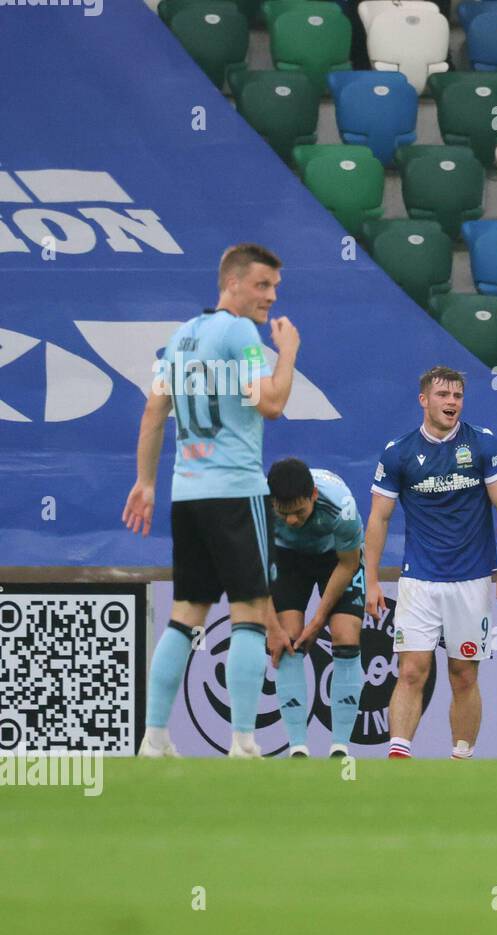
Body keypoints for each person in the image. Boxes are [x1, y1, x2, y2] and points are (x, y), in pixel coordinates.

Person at [124, 243, 297, 759]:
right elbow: (271, 403)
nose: (269, 297)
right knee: (249, 611)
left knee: (185, 613)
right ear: (233, 283)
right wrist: (287, 352)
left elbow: (155, 412)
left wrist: (145, 482)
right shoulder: (239, 332)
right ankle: (242, 739)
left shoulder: (180, 337)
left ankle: (154, 737)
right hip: (235, 491)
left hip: (188, 493)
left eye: (274, 288)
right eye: (262, 285)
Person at [364, 368, 497, 759]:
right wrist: (370, 580)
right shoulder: (398, 452)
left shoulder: (483, 445)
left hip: (469, 580)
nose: (452, 402)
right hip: (418, 579)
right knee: (412, 670)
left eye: (457, 396)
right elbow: (378, 518)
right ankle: (398, 757)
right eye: (443, 395)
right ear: (424, 400)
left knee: (464, 674)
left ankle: (461, 759)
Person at [267, 458, 366, 759]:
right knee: (288, 638)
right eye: (284, 514)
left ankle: (340, 748)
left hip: (334, 560)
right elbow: (253, 572)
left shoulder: (341, 505)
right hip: (287, 558)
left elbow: (349, 563)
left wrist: (318, 620)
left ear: (313, 496)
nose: (292, 521)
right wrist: (271, 628)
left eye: (299, 512)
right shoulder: (256, 507)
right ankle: (298, 748)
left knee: (346, 635)